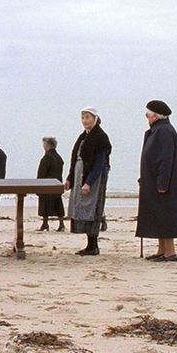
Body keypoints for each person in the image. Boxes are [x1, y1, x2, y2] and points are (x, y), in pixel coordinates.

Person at [136, 100, 177, 262]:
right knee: (157, 216)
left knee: (166, 216)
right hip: (153, 181)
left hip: (165, 184)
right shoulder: (156, 131)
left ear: (155, 116)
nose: (146, 118)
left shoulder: (164, 131)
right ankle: (161, 250)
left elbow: (165, 160)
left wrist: (162, 183)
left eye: (148, 115)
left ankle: (170, 252)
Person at [64, 107, 111, 255]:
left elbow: (99, 163)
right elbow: (75, 158)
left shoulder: (101, 137)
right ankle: (90, 244)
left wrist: (89, 182)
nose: (85, 121)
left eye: (88, 117)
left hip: (93, 178)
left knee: (92, 209)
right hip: (80, 176)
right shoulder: (83, 137)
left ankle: (93, 245)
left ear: (95, 119)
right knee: (82, 209)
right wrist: (70, 178)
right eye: (83, 118)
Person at [37, 137, 65, 232]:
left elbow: (41, 173)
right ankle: (61, 224)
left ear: (47, 145)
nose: (43, 146)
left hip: (47, 185)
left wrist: (38, 185)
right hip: (57, 184)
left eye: (44, 144)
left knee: (45, 204)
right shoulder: (58, 157)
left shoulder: (46, 158)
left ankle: (45, 223)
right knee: (58, 204)